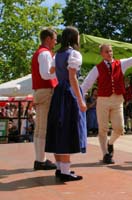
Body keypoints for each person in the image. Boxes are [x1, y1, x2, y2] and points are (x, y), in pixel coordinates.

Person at [81, 45, 132, 164]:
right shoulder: (97, 68)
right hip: (102, 100)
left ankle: (110, 143)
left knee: (119, 129)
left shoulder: (121, 64)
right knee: (102, 129)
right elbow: (87, 83)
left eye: (111, 51)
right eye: (107, 51)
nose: (110, 53)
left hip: (118, 99)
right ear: (102, 54)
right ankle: (106, 154)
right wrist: (78, 96)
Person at [45, 26, 87, 181]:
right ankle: (65, 171)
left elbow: (51, 70)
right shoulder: (74, 54)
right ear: (75, 38)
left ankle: (59, 168)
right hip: (69, 93)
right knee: (67, 129)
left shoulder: (58, 54)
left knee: (58, 128)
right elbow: (72, 78)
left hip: (58, 92)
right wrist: (81, 100)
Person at [31, 27, 58, 170]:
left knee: (39, 128)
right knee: (43, 129)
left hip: (40, 91)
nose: (56, 42)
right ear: (48, 39)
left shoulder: (39, 53)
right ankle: (40, 161)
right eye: (54, 39)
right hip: (46, 91)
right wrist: (59, 74)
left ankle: (40, 159)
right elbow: (45, 74)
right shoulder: (45, 54)